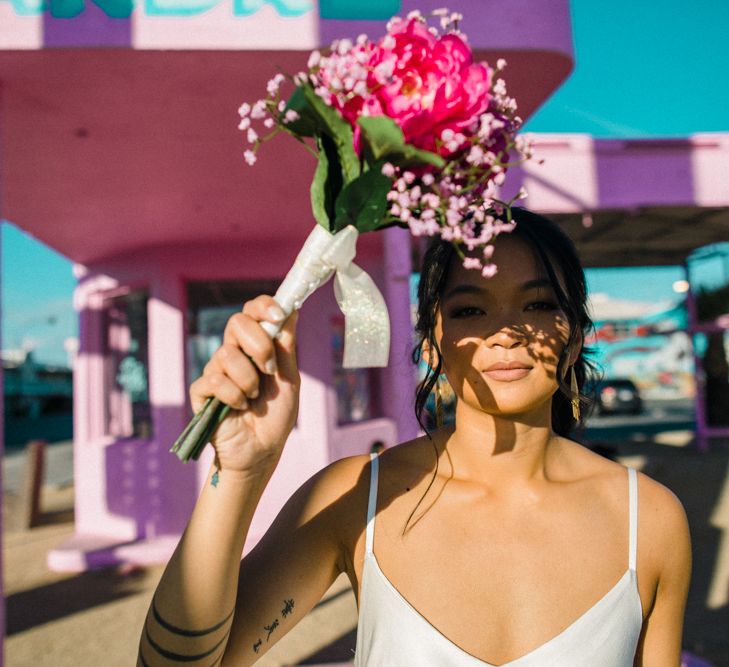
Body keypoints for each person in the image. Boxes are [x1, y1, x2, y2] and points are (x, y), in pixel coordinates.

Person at [138, 208, 692, 666]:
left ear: (574, 338)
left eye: (539, 304)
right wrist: (241, 470)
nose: (505, 332)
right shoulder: (357, 495)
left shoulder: (650, 521)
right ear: (431, 343)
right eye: (470, 309)